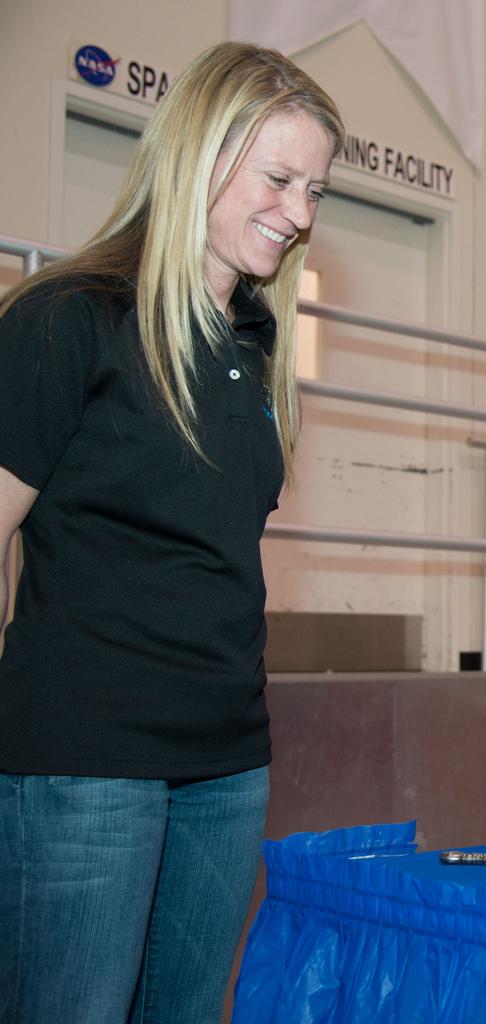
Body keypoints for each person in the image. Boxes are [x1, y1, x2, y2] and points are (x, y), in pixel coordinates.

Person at [0, 43, 342, 1023]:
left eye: (314, 188)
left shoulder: (255, 347)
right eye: (278, 178)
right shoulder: (67, 320)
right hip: (84, 758)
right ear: (198, 151)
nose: (300, 211)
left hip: (226, 759)